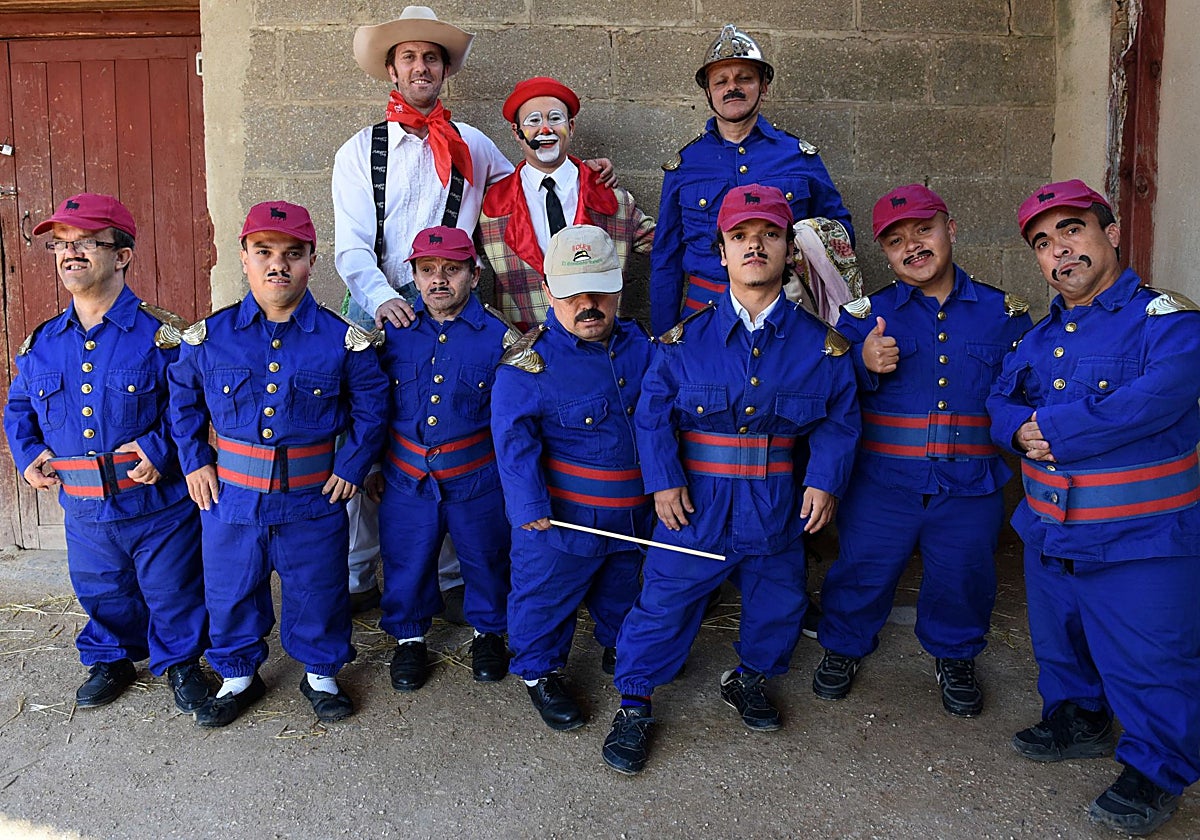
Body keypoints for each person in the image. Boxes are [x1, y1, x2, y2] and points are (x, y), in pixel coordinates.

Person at [602, 185, 860, 775]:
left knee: (779, 600)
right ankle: (636, 700)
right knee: (665, 599)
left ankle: (749, 678)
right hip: (696, 503)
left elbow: (841, 420)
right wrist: (664, 483)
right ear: (721, 252)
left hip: (777, 503)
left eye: (769, 235)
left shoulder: (822, 346)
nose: (754, 247)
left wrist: (824, 481)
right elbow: (652, 416)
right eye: (740, 237)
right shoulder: (681, 342)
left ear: (789, 252)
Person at [987, 180, 1200, 836]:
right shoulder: (1038, 337)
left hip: (1141, 536)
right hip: (1052, 528)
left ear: (1109, 234)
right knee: (1062, 643)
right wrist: (1011, 428)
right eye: (1044, 244)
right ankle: (1078, 718)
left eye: (1072, 231)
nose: (1060, 251)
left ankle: (1157, 769)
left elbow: (1155, 400)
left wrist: (1051, 430)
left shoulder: (1168, 321)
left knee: (1151, 657)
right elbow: (999, 397)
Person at [812, 184, 1031, 717]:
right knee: (862, 569)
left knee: (964, 574)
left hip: (970, 482)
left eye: (923, 231)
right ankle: (843, 645)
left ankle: (955, 654)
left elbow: (1028, 391)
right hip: (882, 482)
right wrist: (860, 361)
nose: (912, 246)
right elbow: (826, 396)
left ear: (950, 229)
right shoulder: (863, 316)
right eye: (895, 241)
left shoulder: (1005, 314)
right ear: (884, 252)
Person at [169, 201, 387, 727]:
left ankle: (320, 672)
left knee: (319, 587)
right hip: (231, 497)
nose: (277, 265)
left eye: (293, 254)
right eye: (263, 252)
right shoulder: (210, 336)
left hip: (312, 497)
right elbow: (181, 399)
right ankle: (238, 674)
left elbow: (373, 405)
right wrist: (195, 459)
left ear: (312, 260)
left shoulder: (342, 340)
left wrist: (353, 466)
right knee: (231, 586)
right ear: (243, 258)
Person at [332, 5, 514, 612]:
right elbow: (351, 244)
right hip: (376, 303)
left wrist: (579, 175)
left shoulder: (477, 146)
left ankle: (450, 573)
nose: (421, 66)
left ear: (444, 71)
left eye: (431, 57)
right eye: (408, 56)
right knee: (363, 436)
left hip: (453, 303)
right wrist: (382, 299)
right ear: (391, 70)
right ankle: (361, 572)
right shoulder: (359, 149)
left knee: (453, 429)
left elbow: (521, 202)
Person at [2, 193, 210, 713]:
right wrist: (27, 454)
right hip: (85, 507)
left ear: (122, 255)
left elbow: (199, 404)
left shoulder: (165, 336)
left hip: (157, 504)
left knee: (172, 590)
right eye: (61, 244)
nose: (70, 253)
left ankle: (181, 662)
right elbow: (18, 408)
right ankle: (112, 657)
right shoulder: (41, 344)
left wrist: (161, 447)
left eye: (87, 242)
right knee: (101, 589)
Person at [491, 224, 654, 732]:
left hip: (632, 516)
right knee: (544, 598)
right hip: (561, 520)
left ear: (620, 287)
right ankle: (539, 671)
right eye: (571, 293)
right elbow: (513, 443)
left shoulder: (643, 348)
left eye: (600, 291)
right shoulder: (529, 366)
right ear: (547, 291)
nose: (588, 304)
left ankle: (616, 645)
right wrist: (529, 509)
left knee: (623, 589)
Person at [373, 226, 517, 692]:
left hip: (477, 477)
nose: (439, 280)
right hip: (406, 475)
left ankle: (489, 632)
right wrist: (373, 465)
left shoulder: (501, 339)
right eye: (428, 270)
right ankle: (410, 638)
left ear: (474, 275)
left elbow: (513, 420)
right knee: (405, 559)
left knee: (486, 558)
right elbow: (372, 408)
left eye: (452, 270)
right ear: (412, 276)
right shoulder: (391, 336)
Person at [648, 23, 853, 336]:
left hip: (788, 314)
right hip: (705, 317)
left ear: (763, 86)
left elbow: (840, 235)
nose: (733, 87)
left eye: (745, 78)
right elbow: (666, 258)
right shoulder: (685, 165)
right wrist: (664, 338)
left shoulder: (798, 157)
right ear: (708, 92)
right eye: (721, 81)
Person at [478, 76, 655, 331]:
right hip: (526, 351)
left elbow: (667, 245)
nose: (546, 129)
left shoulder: (613, 200)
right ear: (516, 132)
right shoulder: (490, 210)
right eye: (534, 121)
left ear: (571, 127)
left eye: (555, 119)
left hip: (600, 346)